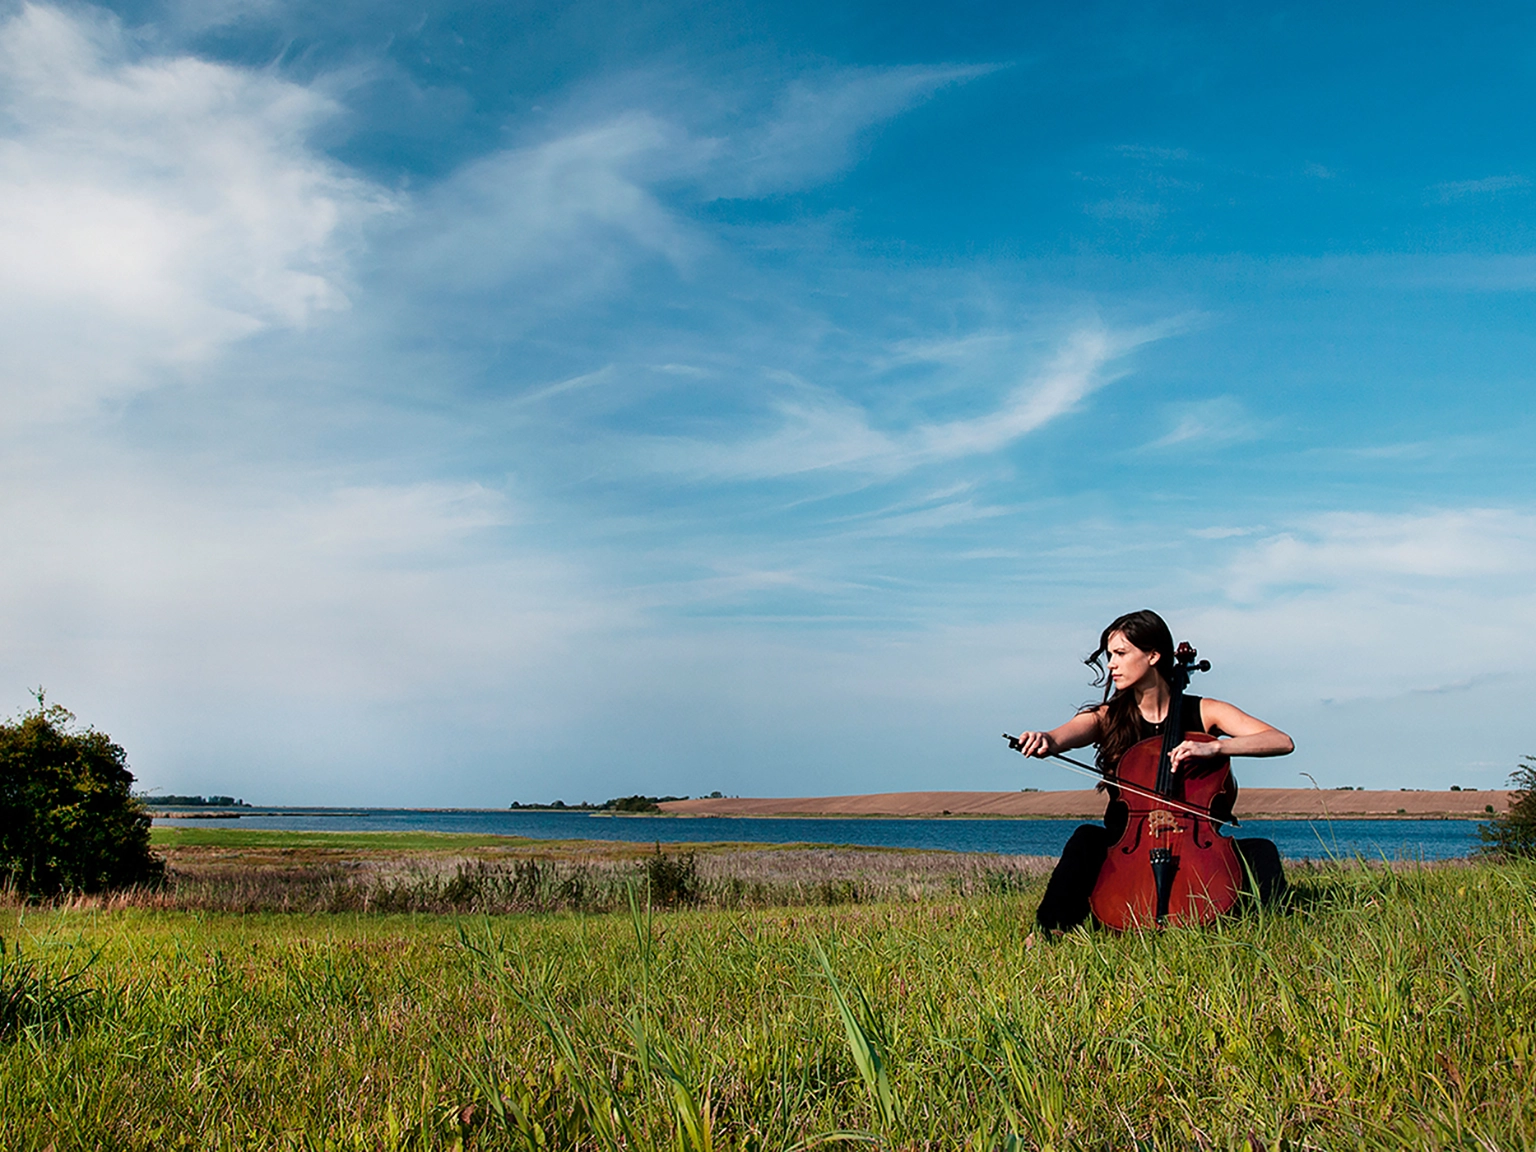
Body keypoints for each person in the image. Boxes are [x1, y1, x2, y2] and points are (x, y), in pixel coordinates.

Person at [1012, 609, 1294, 931]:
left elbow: (1280, 741)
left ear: (1153, 655)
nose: (1111, 664)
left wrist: (1215, 746)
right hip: (1127, 845)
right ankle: (1049, 931)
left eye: (1120, 653)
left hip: (1194, 842)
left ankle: (1270, 929)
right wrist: (1045, 739)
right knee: (1086, 839)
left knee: (1262, 851)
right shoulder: (1108, 716)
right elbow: (1061, 737)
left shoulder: (1205, 712)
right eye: (1109, 655)